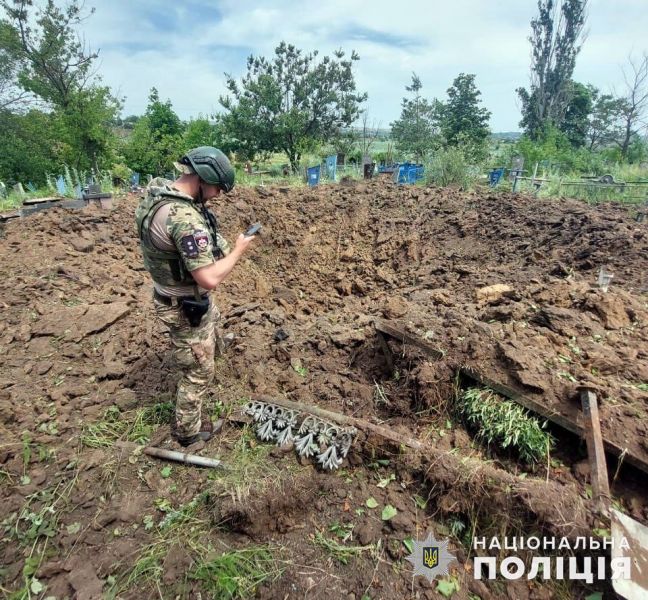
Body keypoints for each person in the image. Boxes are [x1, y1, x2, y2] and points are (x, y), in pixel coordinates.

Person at [135, 147, 255, 446]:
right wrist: (239, 250)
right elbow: (209, 278)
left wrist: (227, 246)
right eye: (216, 188)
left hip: (179, 297)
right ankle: (187, 432)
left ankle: (211, 350)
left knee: (212, 325)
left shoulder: (159, 194)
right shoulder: (183, 218)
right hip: (185, 306)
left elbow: (206, 247)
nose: (216, 195)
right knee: (197, 373)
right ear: (203, 178)